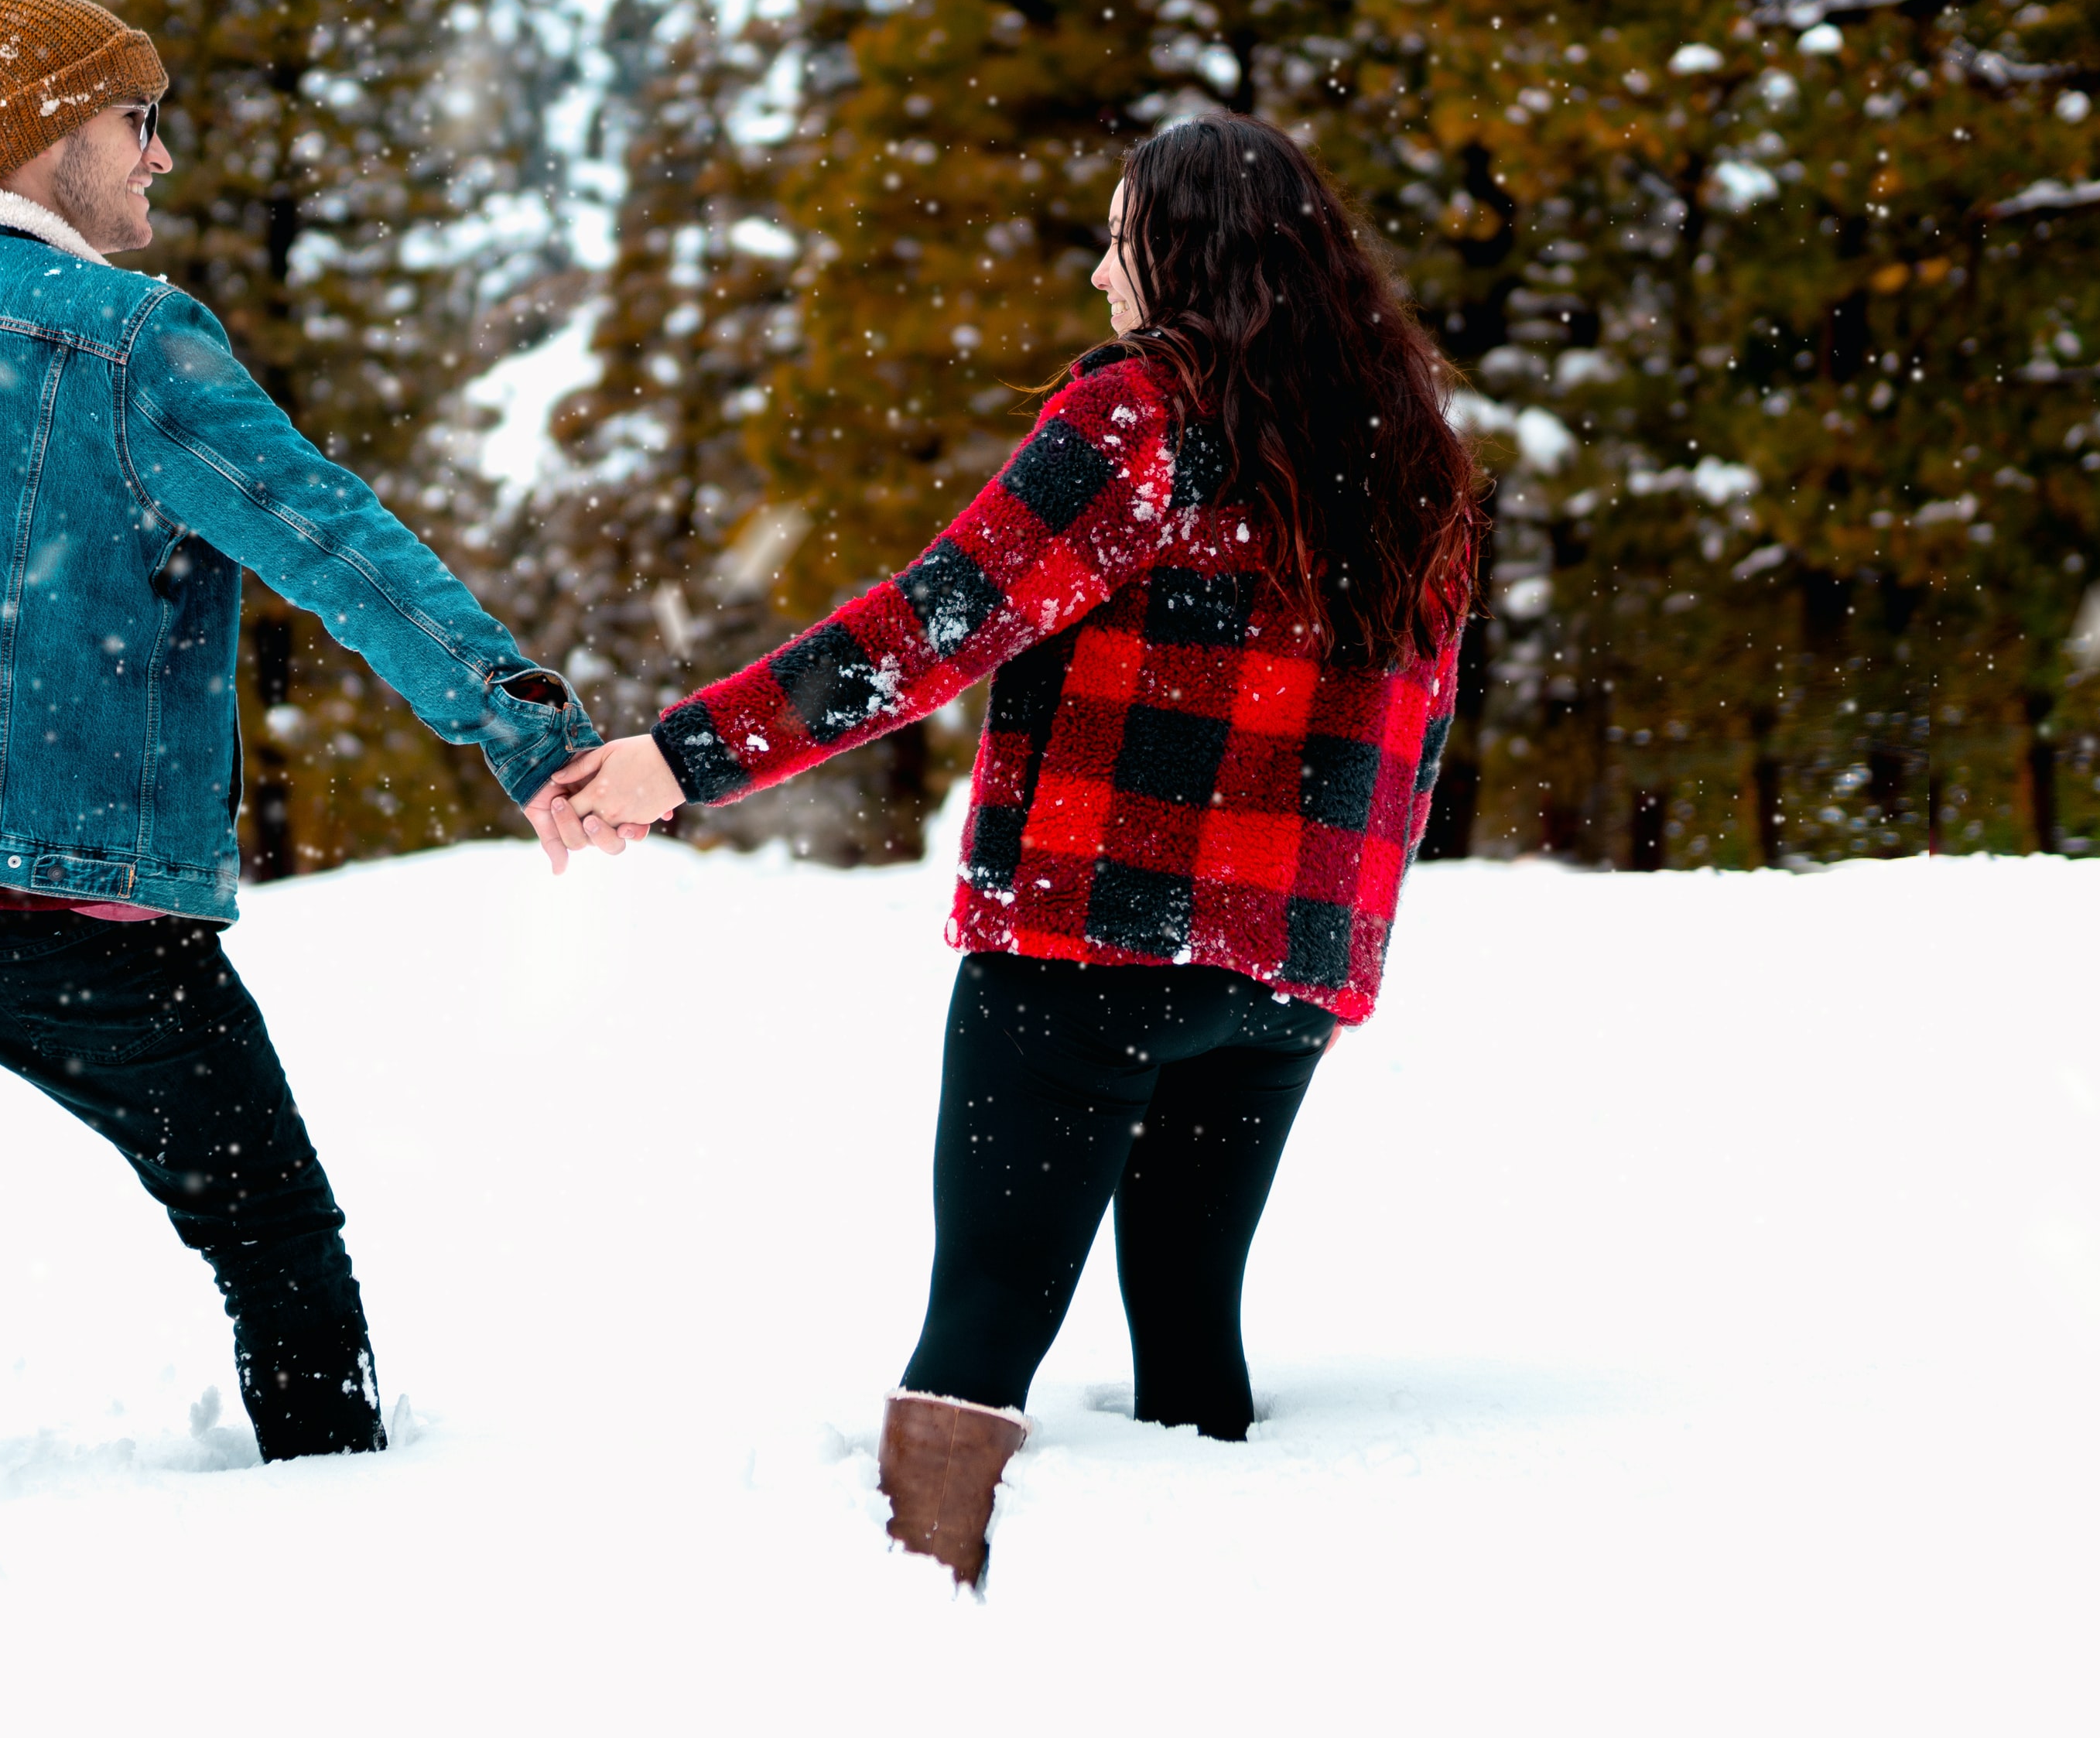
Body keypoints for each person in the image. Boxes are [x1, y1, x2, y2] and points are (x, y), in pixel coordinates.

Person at [0, 0, 628, 1490]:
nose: (158, 158)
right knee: (270, 1234)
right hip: (82, 908)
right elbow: (335, 545)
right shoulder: (128, 343)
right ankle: (347, 1507)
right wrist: (519, 730)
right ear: (48, 134)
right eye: (136, 120)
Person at [552, 114, 1483, 1589]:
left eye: (1123, 234)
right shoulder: (1410, 446)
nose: (1103, 269)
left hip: (1092, 943)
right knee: (1190, 1333)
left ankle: (915, 1618)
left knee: (981, 1329)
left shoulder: (1146, 415)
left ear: (1183, 252)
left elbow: (935, 622)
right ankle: (1216, 1625)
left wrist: (685, 757)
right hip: (1285, 977)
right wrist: (1333, 940)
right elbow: (1414, 736)